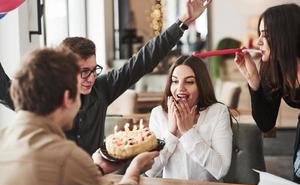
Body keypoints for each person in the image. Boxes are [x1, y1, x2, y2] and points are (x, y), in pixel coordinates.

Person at [0, 0, 212, 156]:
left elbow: (143, 60)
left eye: (94, 70)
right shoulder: (43, 100)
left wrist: (182, 22)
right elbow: (3, 88)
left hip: (96, 181)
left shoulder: (101, 89)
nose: (91, 78)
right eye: (84, 71)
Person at [0, 48, 159, 185]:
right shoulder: (66, 156)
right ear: (67, 98)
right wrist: (134, 170)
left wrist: (98, 169)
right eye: (78, 94)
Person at [234, 3, 300, 183]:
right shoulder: (275, 69)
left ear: (285, 35)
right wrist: (254, 81)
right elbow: (265, 123)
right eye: (259, 34)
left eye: (266, 35)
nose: (259, 42)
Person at [145, 55, 233, 181]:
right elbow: (150, 170)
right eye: (175, 81)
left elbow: (221, 170)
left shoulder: (218, 112)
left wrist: (188, 132)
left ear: (201, 85)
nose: (180, 88)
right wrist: (171, 132)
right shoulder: (158, 114)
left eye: (189, 82)